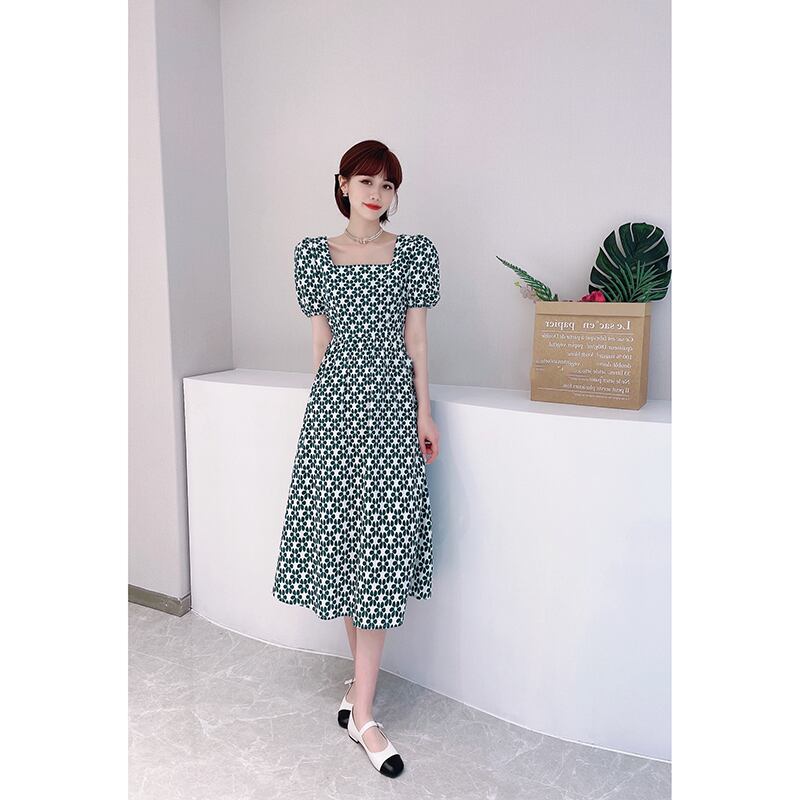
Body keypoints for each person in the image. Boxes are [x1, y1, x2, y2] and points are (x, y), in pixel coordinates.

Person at [271, 139, 441, 778]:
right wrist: (321, 420)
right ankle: (361, 700)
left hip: (392, 415)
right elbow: (320, 345)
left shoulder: (414, 253)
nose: (377, 194)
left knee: (379, 558)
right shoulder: (313, 255)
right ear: (343, 184)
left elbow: (416, 340)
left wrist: (424, 412)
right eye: (366, 181)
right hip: (334, 417)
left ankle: (362, 713)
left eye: (388, 185)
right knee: (347, 555)